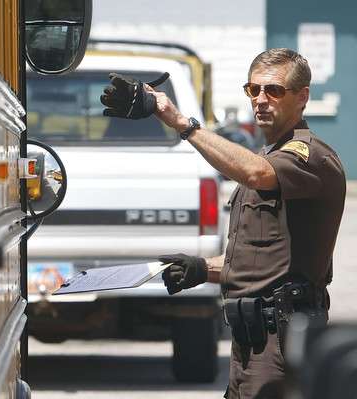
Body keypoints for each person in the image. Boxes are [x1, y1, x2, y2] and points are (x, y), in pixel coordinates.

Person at [101, 48, 346, 399]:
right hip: (249, 340)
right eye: (253, 90)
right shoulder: (267, 157)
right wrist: (203, 269)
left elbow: (255, 173)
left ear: (302, 97)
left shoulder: (310, 157)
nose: (260, 100)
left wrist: (181, 123)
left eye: (273, 90)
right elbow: (264, 260)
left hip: (283, 341)